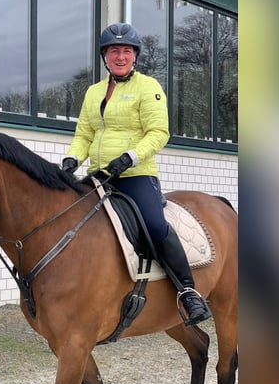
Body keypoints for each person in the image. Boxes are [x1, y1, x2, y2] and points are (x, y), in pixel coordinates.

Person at [61, 22, 211, 326]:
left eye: (126, 51)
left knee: (156, 226)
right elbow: (84, 134)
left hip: (136, 175)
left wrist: (128, 158)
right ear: (105, 56)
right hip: (98, 175)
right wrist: (71, 159)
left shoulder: (148, 87)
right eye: (114, 51)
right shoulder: (93, 93)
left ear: (135, 55)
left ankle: (188, 291)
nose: (120, 56)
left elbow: (159, 133)